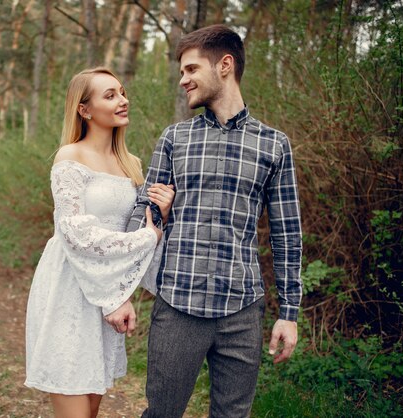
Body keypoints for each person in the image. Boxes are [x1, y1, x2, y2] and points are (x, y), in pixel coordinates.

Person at [126, 24, 303, 417]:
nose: (183, 80)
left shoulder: (274, 144)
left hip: (242, 310)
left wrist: (288, 313)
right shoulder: (174, 139)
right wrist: (120, 289)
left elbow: (287, 233)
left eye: (191, 70)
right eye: (182, 72)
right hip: (178, 305)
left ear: (225, 65)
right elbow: (143, 216)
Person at [24, 67, 175, 418]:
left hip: (108, 286)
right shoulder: (69, 157)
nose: (123, 100)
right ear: (85, 109)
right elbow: (74, 232)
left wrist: (163, 216)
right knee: (73, 402)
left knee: (91, 405)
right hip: (70, 286)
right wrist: (145, 238)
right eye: (110, 95)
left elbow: (141, 229)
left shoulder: (132, 164)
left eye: (122, 92)